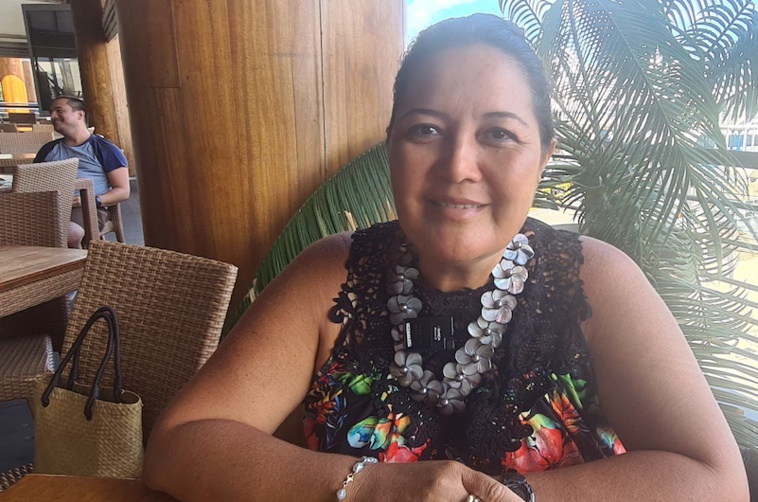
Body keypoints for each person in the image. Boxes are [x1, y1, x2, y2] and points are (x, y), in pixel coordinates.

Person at [142, 14, 749, 501]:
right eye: (426, 130)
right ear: (392, 148)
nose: (458, 166)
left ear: (543, 156)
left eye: (499, 134)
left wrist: (504, 498)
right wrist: (371, 488)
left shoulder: (595, 281)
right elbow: (178, 445)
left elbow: (715, 482)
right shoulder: (331, 277)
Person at [34, 96, 130, 248]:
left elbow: (123, 191)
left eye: (59, 111)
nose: (53, 116)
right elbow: (33, 181)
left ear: (80, 114)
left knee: (68, 233)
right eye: (51, 112)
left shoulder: (105, 149)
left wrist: (90, 200)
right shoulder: (48, 149)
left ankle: (79, 262)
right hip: (48, 206)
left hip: (87, 207)